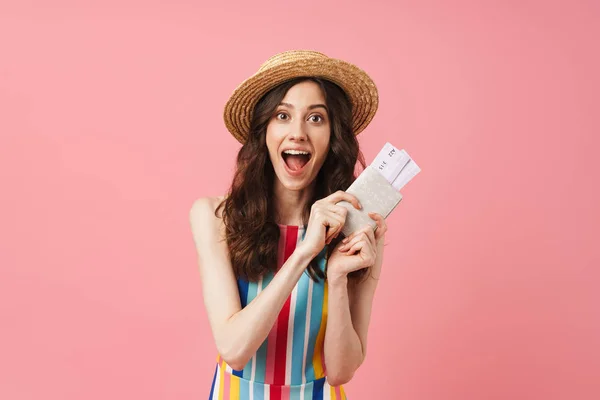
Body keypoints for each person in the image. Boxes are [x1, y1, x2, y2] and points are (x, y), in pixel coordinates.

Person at [189, 50, 388, 400]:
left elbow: (341, 371)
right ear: (264, 131)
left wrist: (338, 278)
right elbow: (234, 349)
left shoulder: (356, 225)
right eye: (283, 115)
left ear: (333, 137)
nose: (297, 133)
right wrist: (305, 252)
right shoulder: (215, 217)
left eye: (316, 118)